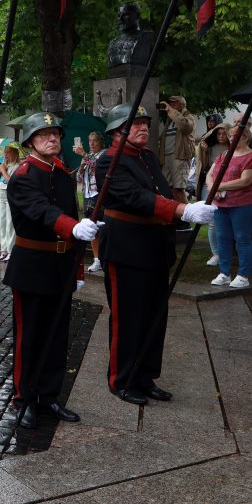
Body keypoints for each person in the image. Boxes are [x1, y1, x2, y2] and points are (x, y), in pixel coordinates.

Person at [95, 103, 215, 405]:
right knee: (129, 318)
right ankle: (121, 380)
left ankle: (145, 377)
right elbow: (136, 197)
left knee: (153, 318)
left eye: (145, 123)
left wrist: (181, 207)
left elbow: (159, 192)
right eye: (134, 124)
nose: (143, 128)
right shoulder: (109, 161)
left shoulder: (147, 157)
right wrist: (181, 210)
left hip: (153, 246)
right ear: (116, 132)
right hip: (126, 247)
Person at [3, 113, 97, 429]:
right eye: (44, 134)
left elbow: (71, 213)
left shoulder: (63, 173)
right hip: (32, 265)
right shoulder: (24, 175)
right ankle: (24, 398)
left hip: (61, 266)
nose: (52, 138)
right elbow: (43, 212)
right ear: (30, 141)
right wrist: (73, 227)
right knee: (29, 337)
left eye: (55, 133)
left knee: (58, 336)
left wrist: (78, 271)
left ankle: (49, 395)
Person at [207, 122, 252, 289]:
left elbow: (245, 181)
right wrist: (212, 188)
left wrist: (219, 186)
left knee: (242, 239)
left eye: (235, 136)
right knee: (222, 238)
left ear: (246, 137)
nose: (231, 138)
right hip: (221, 205)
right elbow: (210, 174)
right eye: (231, 136)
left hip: (242, 204)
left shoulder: (249, 157)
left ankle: (243, 275)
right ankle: (224, 273)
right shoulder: (224, 154)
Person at [73, 132, 107, 273]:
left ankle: (106, 259)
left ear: (101, 142)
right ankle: (97, 260)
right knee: (91, 228)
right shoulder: (88, 157)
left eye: (95, 141)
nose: (92, 144)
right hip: (88, 194)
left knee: (104, 228)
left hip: (99, 195)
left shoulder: (104, 154)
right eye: (89, 141)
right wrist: (81, 170)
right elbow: (79, 178)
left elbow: (99, 167)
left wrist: (84, 155)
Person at [196, 121, 229, 266]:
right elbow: (203, 167)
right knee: (212, 220)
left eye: (224, 133)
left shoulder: (234, 148)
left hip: (229, 185)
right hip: (210, 185)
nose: (221, 136)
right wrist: (203, 150)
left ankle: (228, 251)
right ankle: (216, 253)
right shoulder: (210, 148)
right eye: (218, 133)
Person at [157, 95, 196, 206]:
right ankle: (176, 217)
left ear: (181, 104)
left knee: (178, 189)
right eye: (170, 103)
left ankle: (187, 219)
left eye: (174, 103)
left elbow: (185, 127)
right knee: (168, 190)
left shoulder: (188, 117)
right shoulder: (170, 120)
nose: (171, 104)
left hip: (179, 157)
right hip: (166, 158)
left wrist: (170, 110)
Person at [0, 142, 21, 262]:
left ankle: (11, 250)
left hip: (10, 197)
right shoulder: (6, 165)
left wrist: (3, 171)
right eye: (4, 152)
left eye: (8, 152)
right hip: (2, 196)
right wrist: (0, 170)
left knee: (10, 223)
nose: (5, 155)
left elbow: (11, 182)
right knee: (3, 222)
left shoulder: (16, 166)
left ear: (15, 154)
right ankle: (4, 249)